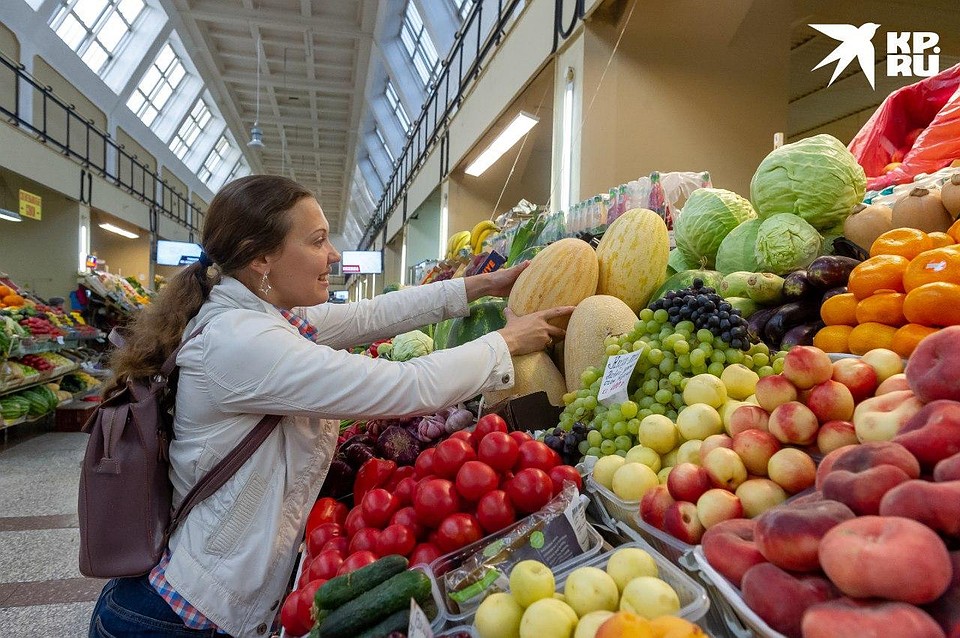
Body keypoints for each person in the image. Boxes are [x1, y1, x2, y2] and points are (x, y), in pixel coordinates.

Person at [88, 174, 571, 637]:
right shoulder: (241, 342)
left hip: (196, 604)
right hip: (177, 620)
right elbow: (404, 385)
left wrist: (481, 285)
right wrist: (504, 342)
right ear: (261, 259)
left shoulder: (258, 312)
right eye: (317, 240)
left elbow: (369, 314)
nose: (334, 254)